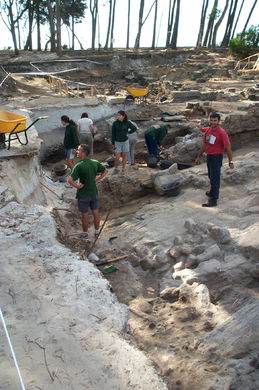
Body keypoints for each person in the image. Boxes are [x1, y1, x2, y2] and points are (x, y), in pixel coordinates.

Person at [67, 144, 108, 240]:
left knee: (84, 215)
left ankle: (85, 234)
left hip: (83, 194)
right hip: (93, 192)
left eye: (79, 150)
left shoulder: (79, 166)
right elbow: (105, 171)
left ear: (84, 152)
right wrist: (98, 178)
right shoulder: (95, 162)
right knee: (96, 212)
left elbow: (69, 180)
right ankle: (97, 231)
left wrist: (77, 186)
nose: (77, 152)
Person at [195, 113, 234, 207]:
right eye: (211, 120)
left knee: (215, 178)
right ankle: (212, 191)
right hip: (209, 156)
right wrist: (199, 156)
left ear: (219, 121)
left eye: (215, 120)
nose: (213, 122)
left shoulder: (222, 133)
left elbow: (228, 148)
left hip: (217, 157)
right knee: (210, 175)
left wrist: (230, 161)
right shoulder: (208, 130)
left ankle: (213, 200)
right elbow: (204, 144)